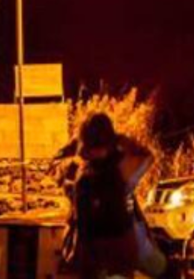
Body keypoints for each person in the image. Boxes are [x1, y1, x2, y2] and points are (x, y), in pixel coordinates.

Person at [72, 113, 160, 279]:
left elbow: (83, 224)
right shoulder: (119, 168)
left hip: (109, 250)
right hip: (118, 247)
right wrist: (120, 139)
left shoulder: (86, 175)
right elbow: (147, 156)